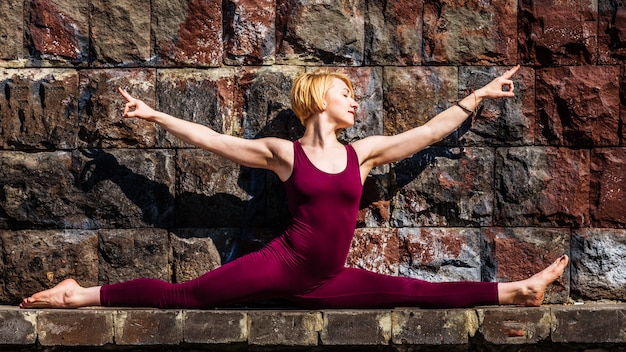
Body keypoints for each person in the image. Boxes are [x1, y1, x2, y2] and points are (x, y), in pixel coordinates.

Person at [20, 65, 569, 310]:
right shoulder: (285, 154)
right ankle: (79, 294)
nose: (355, 101)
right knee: (187, 295)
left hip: (325, 279)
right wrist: (153, 114)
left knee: (412, 291)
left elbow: (425, 133)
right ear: (317, 99)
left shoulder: (365, 152)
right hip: (282, 264)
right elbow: (212, 140)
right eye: (345, 93)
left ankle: (518, 290)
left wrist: (477, 96)